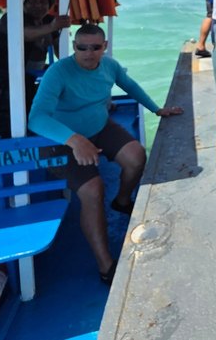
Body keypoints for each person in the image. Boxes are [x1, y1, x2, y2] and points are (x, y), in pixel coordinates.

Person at [28, 24, 183, 284]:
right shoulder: (59, 72)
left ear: (105, 46)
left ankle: (122, 200)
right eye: (82, 47)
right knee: (93, 190)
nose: (88, 53)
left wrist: (156, 109)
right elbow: (37, 118)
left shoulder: (109, 66)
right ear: (74, 46)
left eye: (95, 47)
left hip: (99, 127)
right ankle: (106, 265)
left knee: (136, 156)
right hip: (62, 138)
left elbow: (130, 86)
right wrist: (75, 140)